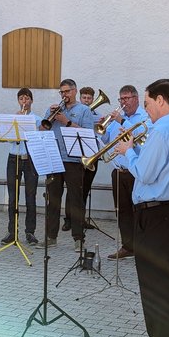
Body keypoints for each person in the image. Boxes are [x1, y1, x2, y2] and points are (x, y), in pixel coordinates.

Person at [112, 78, 169, 337]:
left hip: (155, 214)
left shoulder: (163, 131)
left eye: (147, 103)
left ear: (160, 100)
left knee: (153, 284)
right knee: (168, 278)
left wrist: (128, 151)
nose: (146, 110)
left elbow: (145, 173)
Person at [37, 79, 95, 251]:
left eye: (67, 92)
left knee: (76, 200)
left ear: (74, 91)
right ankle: (50, 237)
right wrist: (49, 118)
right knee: (52, 199)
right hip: (54, 158)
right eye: (61, 92)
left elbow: (87, 134)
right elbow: (41, 131)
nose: (64, 95)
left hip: (74, 160)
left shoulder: (84, 110)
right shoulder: (53, 109)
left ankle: (78, 238)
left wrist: (65, 121)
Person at [99, 85, 150, 260]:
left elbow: (140, 135)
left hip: (135, 171)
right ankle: (128, 246)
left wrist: (121, 121)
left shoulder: (144, 117)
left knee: (138, 211)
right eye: (121, 99)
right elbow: (108, 141)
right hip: (118, 171)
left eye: (127, 99)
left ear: (136, 98)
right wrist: (104, 129)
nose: (123, 102)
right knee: (122, 211)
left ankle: (142, 247)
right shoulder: (117, 119)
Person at [2, 88, 39, 245]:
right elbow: (9, 139)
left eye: (27, 98)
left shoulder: (37, 119)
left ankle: (30, 232)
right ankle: (12, 231)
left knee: (31, 197)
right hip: (14, 158)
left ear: (31, 100)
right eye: (21, 99)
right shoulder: (13, 118)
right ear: (18, 101)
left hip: (29, 159)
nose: (24, 102)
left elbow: (37, 139)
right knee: (12, 197)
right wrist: (15, 122)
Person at [78, 86, 100, 230]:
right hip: (78, 154)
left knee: (85, 188)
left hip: (92, 154)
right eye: (84, 98)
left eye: (89, 98)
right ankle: (69, 219)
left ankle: (82, 219)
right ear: (80, 98)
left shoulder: (97, 115)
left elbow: (101, 133)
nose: (87, 101)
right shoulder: (76, 113)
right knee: (76, 189)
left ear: (93, 99)